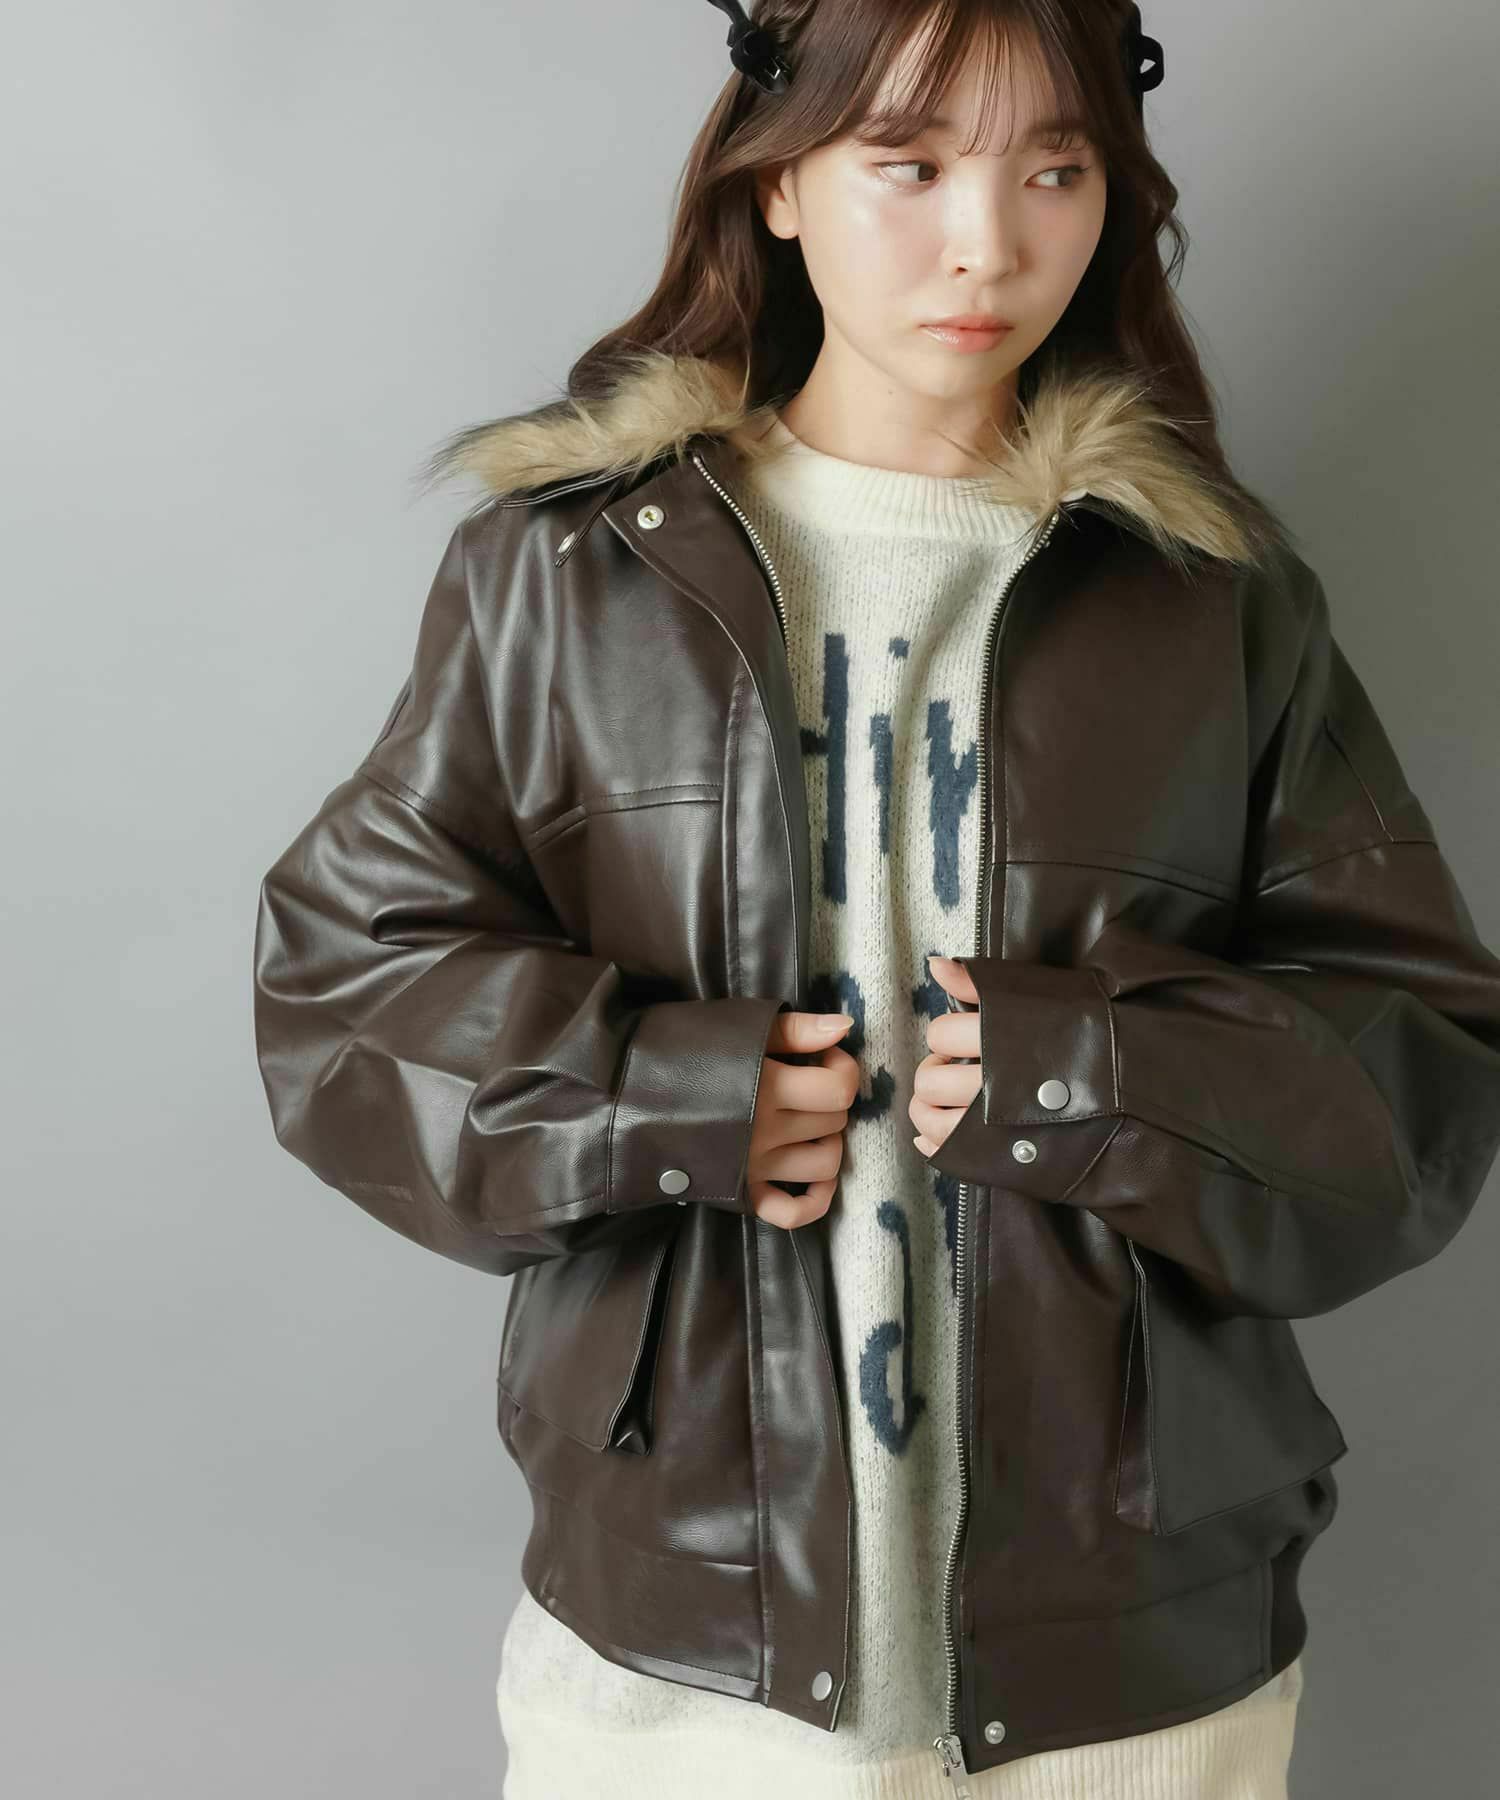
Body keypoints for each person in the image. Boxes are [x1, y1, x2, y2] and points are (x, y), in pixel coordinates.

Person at [251, 2, 1500, 1795]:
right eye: (907, 167)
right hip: (683, 1659)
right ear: (776, 184)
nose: (986, 242)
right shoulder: (570, 575)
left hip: (1133, 1673)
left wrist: (1094, 1079)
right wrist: (664, 1096)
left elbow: (1421, 1084)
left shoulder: (1215, 604)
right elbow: (339, 993)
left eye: (1054, 170)